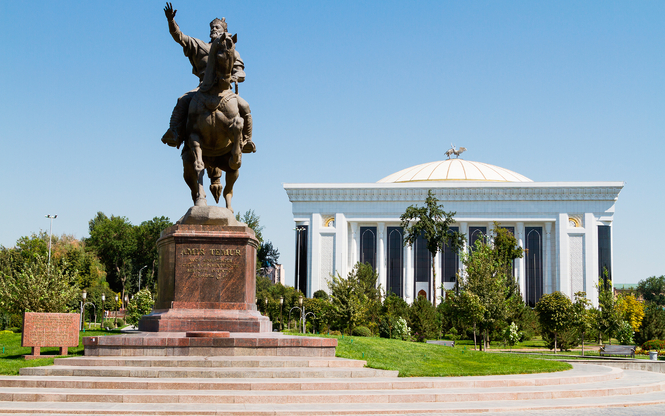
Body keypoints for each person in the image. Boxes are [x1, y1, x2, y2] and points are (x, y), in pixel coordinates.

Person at [161, 2, 254, 153]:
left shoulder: (230, 49)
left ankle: (247, 140)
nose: (213, 29)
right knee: (182, 100)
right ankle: (174, 133)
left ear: (224, 31)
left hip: (225, 88)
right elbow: (179, 37)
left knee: (245, 106)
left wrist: (234, 77)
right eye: (212, 27)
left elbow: (241, 71)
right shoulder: (199, 46)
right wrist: (171, 21)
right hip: (203, 85)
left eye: (217, 27)